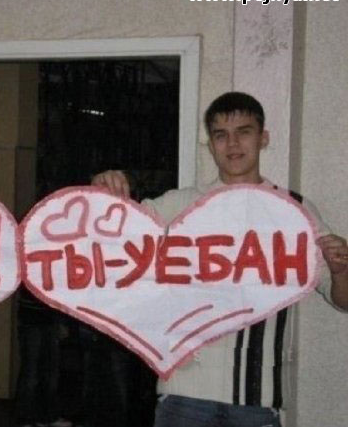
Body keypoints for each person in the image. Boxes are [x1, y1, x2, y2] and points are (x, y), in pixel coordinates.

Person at [92, 92, 348, 427]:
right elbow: (108, 237)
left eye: (244, 131)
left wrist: (341, 270)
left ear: (263, 138)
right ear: (211, 145)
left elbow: (342, 300)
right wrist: (102, 191)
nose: (233, 144)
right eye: (221, 135)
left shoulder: (295, 210)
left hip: (257, 398)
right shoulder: (179, 205)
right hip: (184, 391)